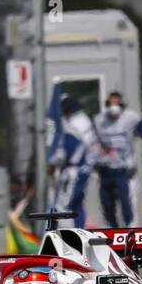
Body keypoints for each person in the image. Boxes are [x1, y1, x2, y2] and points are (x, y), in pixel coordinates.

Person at [93, 92, 142, 229]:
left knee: (128, 207)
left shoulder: (131, 118)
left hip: (125, 172)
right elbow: (91, 142)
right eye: (111, 104)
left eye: (117, 104)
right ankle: (114, 237)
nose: (114, 107)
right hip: (105, 171)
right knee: (107, 208)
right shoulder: (99, 121)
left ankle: (132, 237)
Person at [47, 94, 98, 229]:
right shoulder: (85, 121)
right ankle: (80, 234)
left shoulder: (74, 126)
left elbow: (66, 151)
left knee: (63, 206)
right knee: (77, 205)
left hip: (73, 170)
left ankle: (66, 241)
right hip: (85, 168)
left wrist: (51, 162)